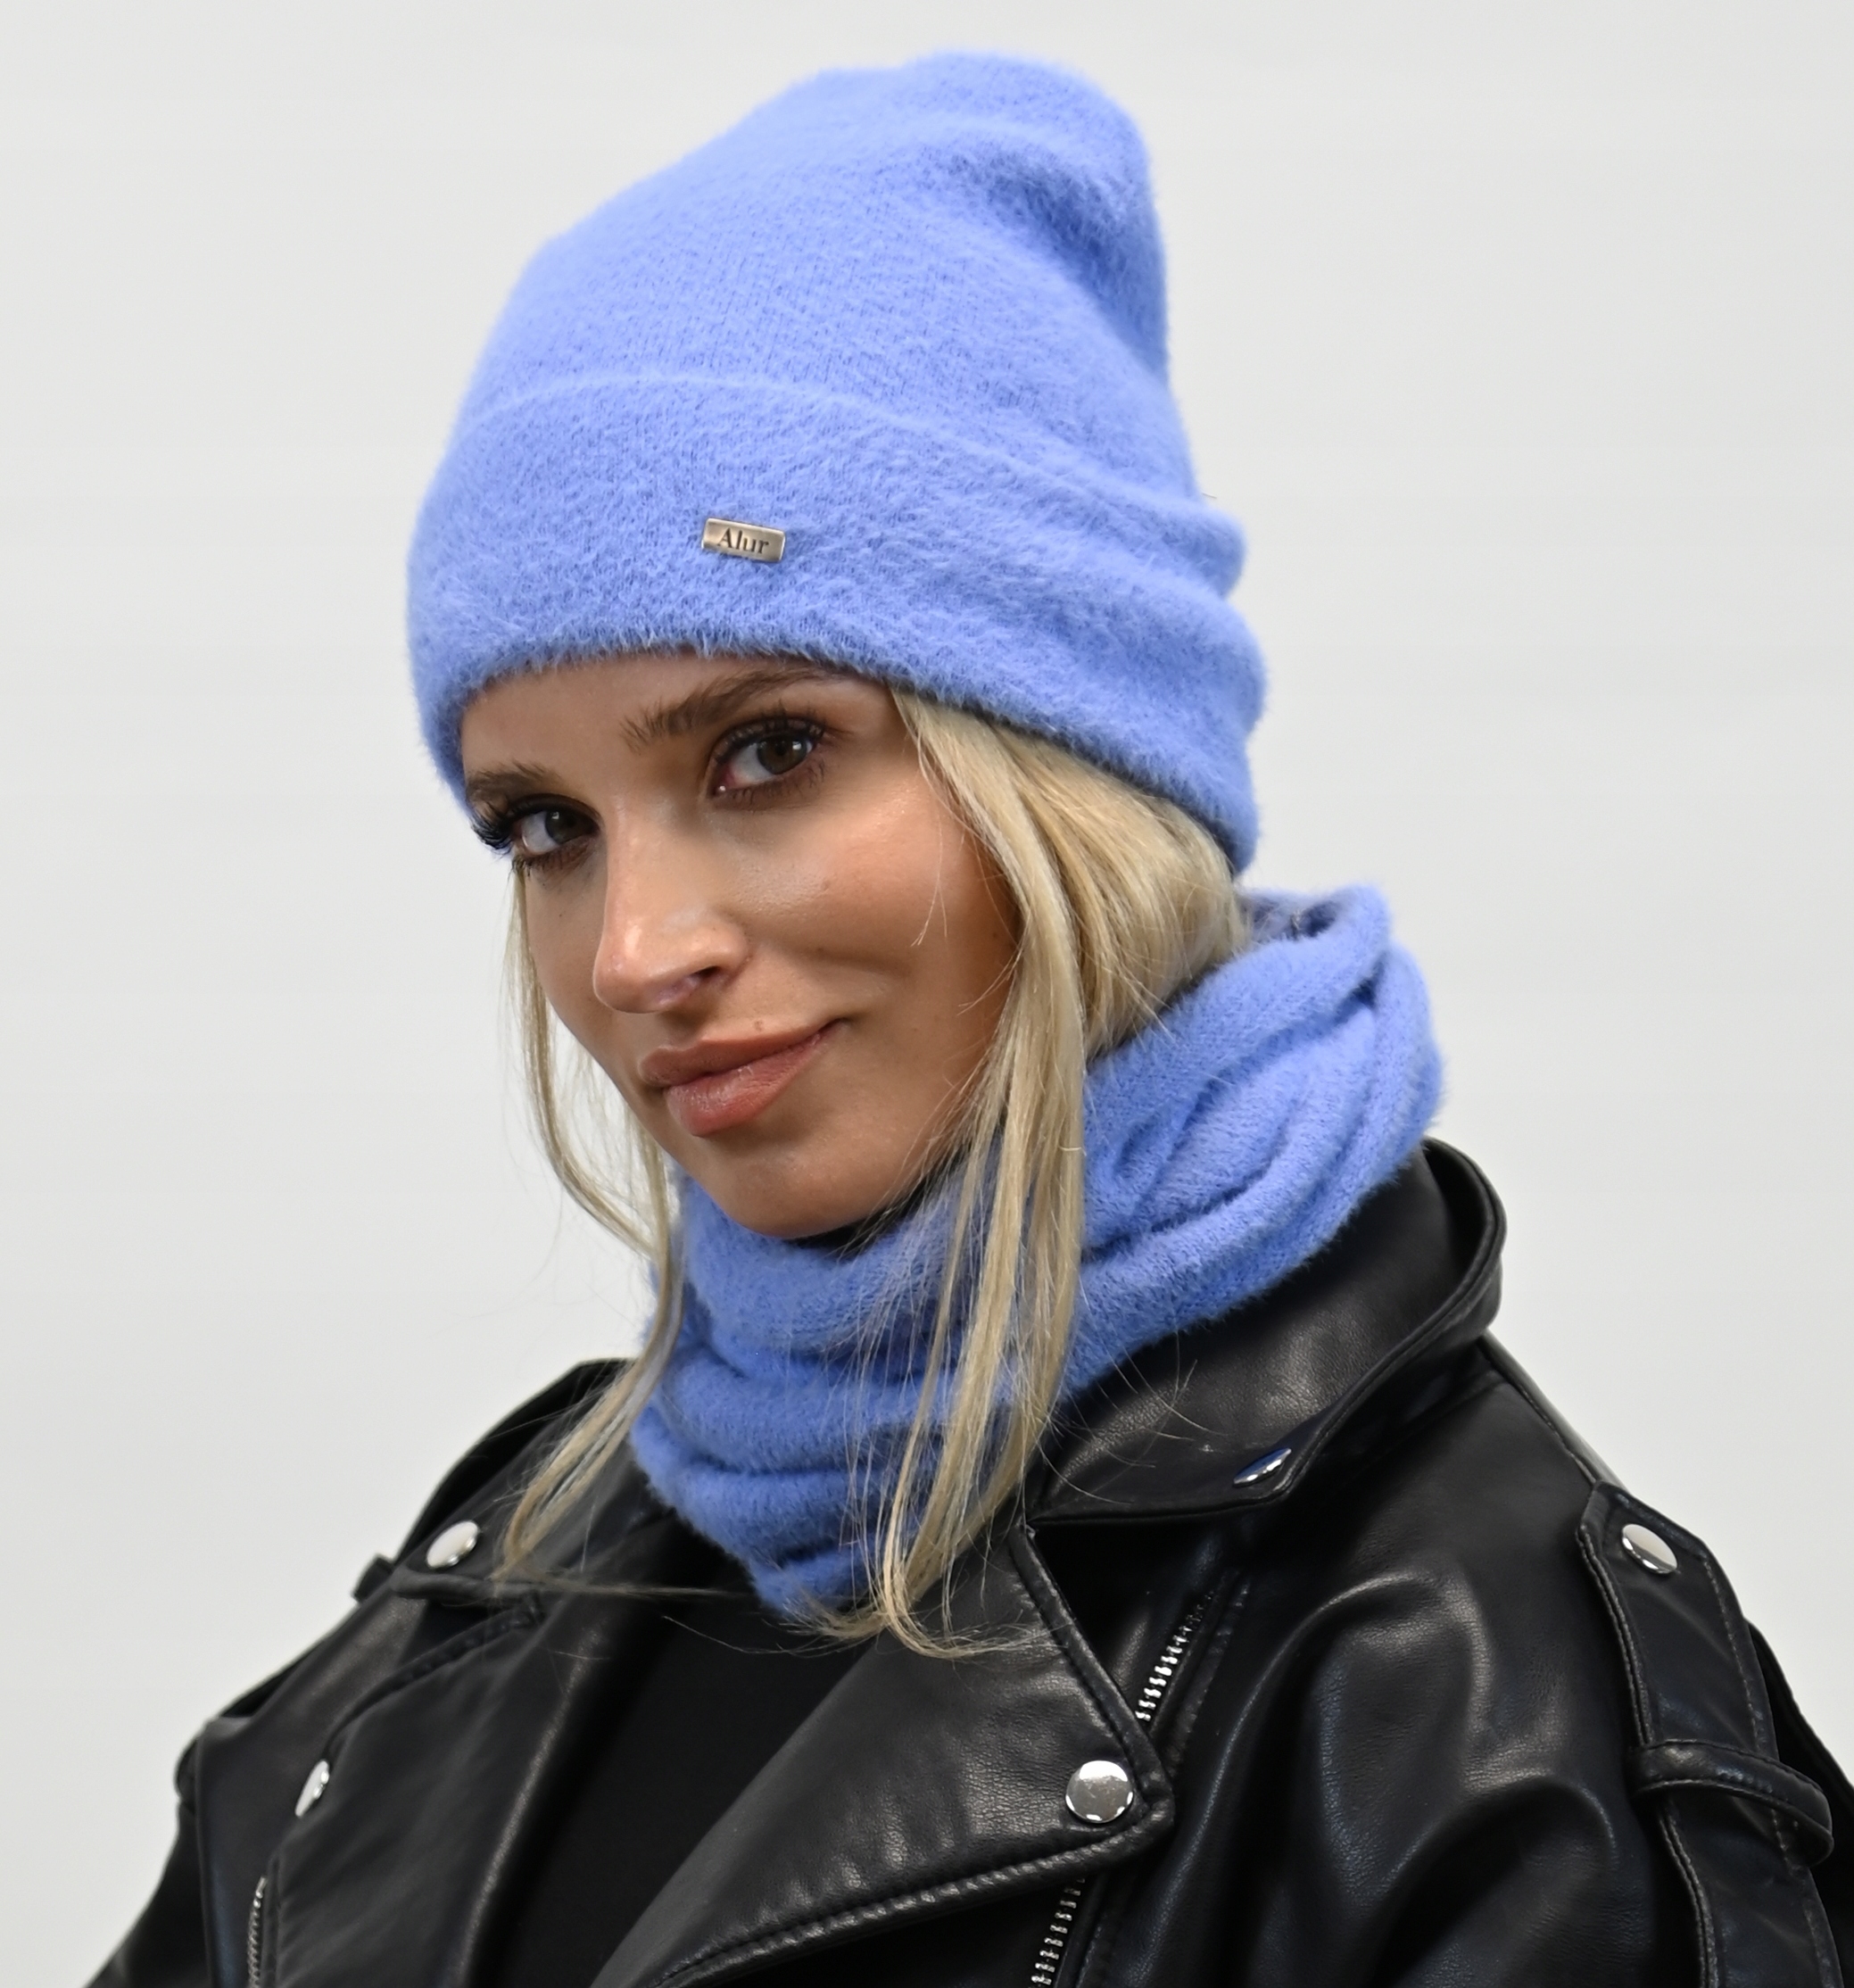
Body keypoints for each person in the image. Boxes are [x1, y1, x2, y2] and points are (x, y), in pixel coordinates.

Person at [92, 52, 1850, 1988]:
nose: (633, 950)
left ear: (1072, 768)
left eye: (768, 752)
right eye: (545, 827)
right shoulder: (498, 1584)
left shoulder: (1475, 1701)